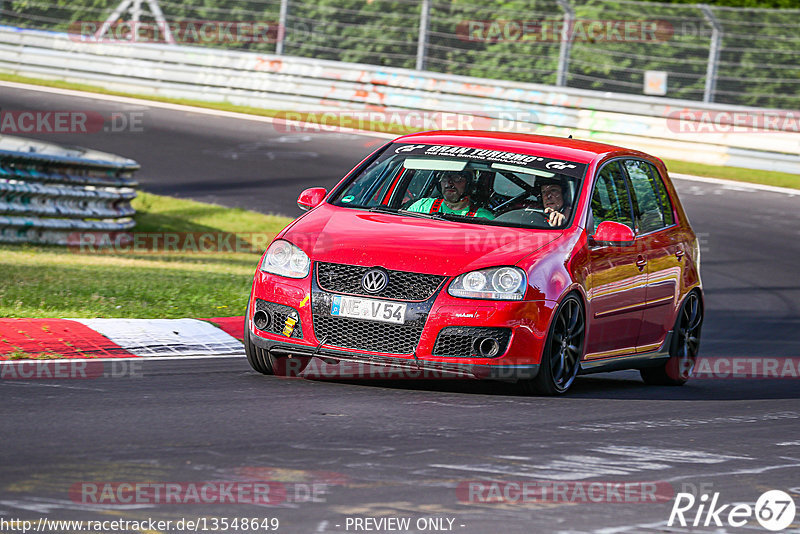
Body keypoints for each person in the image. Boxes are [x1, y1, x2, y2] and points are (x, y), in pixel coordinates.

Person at [406, 169, 494, 219]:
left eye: (457, 178)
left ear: (469, 184)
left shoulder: (483, 217)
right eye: (444, 178)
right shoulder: (422, 206)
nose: (449, 184)